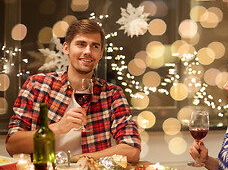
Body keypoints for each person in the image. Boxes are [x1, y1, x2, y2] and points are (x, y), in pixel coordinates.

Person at [6, 19, 141, 162]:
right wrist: (58, 128)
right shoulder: (36, 85)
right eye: (81, 44)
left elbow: (132, 150)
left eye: (94, 46)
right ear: (66, 48)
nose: (88, 51)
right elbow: (12, 146)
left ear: (100, 53)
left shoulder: (112, 94)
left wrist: (74, 159)